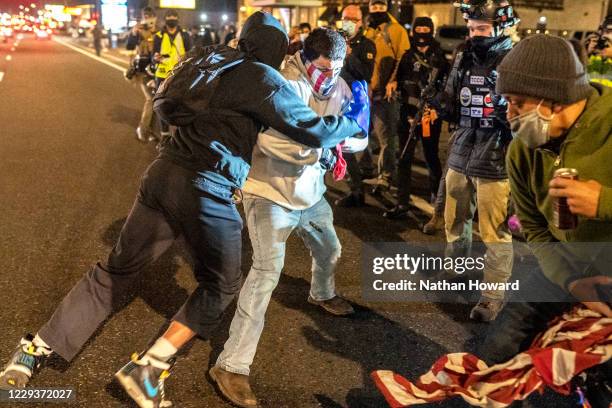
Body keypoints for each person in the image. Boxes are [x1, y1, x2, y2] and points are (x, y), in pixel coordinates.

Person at [0, 12, 369, 408]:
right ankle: (148, 368)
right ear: (274, 47)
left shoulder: (207, 57)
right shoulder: (263, 78)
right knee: (222, 283)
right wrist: (351, 122)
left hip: (162, 175)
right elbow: (314, 130)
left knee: (116, 270)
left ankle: (32, 351)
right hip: (208, 189)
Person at [210, 28, 369, 407]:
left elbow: (359, 137)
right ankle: (231, 364)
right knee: (266, 273)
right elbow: (270, 142)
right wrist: (323, 149)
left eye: (337, 68)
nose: (329, 77)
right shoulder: (279, 82)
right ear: (305, 56)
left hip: (310, 194)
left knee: (330, 249)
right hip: (268, 191)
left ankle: (322, 293)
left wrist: (347, 132)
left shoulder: (340, 87)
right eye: (323, 68)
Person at [479, 33, 612, 406]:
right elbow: (534, 228)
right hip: (566, 267)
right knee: (498, 350)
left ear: (554, 99)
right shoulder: (522, 151)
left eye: (518, 103)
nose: (509, 114)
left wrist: (603, 201)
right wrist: (571, 281)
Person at [428, 0, 519, 321]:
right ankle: (455, 271)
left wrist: (503, 114)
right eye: (471, 29)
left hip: (495, 152)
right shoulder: (464, 55)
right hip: (462, 145)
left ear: (503, 26)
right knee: (455, 219)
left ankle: (492, 296)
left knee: (494, 230)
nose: (474, 35)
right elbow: (452, 100)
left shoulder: (516, 59)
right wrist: (440, 102)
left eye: (482, 29)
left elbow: (524, 114)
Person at [384, 17, 449, 219]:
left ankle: (437, 199)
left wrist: (437, 107)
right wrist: (394, 86)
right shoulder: (408, 55)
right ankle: (402, 203)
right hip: (408, 114)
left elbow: (446, 87)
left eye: (425, 28)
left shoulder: (439, 57)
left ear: (431, 31)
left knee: (431, 157)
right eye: (418, 28)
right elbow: (400, 80)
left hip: (430, 115)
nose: (421, 32)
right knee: (404, 158)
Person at [362, 0, 410, 192]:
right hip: (365, 92)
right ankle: (366, 168)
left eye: (381, 5)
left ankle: (386, 175)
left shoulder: (396, 30)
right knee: (360, 132)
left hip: (384, 94)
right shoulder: (366, 29)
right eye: (374, 5)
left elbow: (403, 58)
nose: (377, 9)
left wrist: (394, 80)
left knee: (386, 138)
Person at [335, 4, 377, 207]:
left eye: (354, 19)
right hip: (332, 98)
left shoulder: (366, 45)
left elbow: (366, 75)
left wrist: (349, 55)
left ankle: (357, 191)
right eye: (346, 18)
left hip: (353, 102)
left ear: (361, 23)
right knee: (337, 145)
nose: (349, 22)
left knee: (347, 147)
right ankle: (356, 184)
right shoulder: (335, 39)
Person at [152, 10, 191, 142]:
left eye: (174, 17)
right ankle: (164, 135)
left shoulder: (185, 35)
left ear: (178, 19)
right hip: (162, 75)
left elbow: (192, 54)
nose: (172, 19)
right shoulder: (158, 36)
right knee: (162, 105)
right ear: (165, 19)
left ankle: (180, 137)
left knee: (180, 105)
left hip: (180, 75)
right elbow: (154, 56)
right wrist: (155, 58)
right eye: (169, 17)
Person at [126, 6, 158, 143]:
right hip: (142, 70)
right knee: (150, 99)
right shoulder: (137, 30)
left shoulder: (159, 31)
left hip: (157, 70)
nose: (147, 17)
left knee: (157, 100)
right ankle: (142, 128)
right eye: (145, 15)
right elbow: (129, 46)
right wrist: (133, 33)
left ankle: (151, 130)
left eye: (150, 15)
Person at [586, 15, 612, 87]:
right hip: (593, 94)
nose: (605, 35)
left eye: (609, 31)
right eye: (604, 31)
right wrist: (587, 54)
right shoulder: (596, 52)